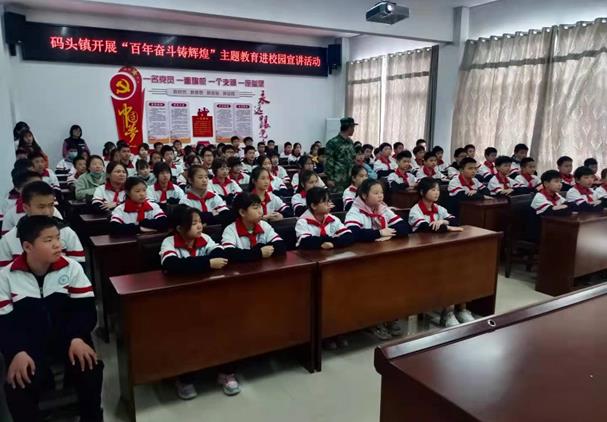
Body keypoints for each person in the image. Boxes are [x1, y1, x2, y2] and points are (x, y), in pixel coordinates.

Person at [0, 215, 104, 422]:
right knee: (18, 384)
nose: (58, 244)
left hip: (67, 338)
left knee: (89, 366)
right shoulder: (6, 276)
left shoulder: (71, 268)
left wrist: (77, 337)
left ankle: (91, 417)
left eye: (57, 238)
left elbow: (85, 310)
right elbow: (4, 324)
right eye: (48, 240)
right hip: (28, 345)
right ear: (27, 247)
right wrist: (16, 351)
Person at [158, 205, 232, 399]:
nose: (200, 226)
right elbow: (172, 265)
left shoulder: (205, 238)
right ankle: (185, 378)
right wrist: (206, 263)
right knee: (185, 333)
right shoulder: (169, 242)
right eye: (194, 223)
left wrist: (200, 264)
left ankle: (225, 372)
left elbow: (221, 255)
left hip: (208, 296)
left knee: (226, 325)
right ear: (179, 228)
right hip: (179, 300)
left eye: (200, 222)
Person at [0, 182, 84, 267]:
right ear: (26, 208)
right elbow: (3, 272)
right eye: (41, 207)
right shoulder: (8, 240)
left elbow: (79, 267)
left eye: (51, 205)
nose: (47, 212)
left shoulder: (66, 232)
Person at [221, 192, 286, 262]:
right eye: (256, 208)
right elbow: (229, 253)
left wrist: (253, 252)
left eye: (260, 207)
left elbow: (280, 245)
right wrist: (259, 252)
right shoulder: (230, 230)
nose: (261, 212)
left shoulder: (264, 225)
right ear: (242, 212)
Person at [345, 178, 409, 243]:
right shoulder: (355, 212)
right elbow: (353, 233)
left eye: (382, 193)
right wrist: (379, 233)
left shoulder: (382, 209)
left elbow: (404, 227)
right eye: (376, 193)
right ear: (364, 195)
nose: (380, 196)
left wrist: (389, 234)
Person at [528, 170, 571, 241]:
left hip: (553, 227)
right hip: (540, 232)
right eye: (556, 181)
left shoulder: (556, 195)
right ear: (546, 184)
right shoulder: (539, 196)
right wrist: (558, 208)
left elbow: (570, 206)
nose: (560, 184)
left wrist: (558, 208)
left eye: (560, 181)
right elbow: (550, 212)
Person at [325, 117, 357, 192]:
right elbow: (329, 162)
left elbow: (353, 159)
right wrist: (330, 178)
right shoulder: (332, 142)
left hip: (350, 178)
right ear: (349, 128)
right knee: (337, 197)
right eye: (353, 127)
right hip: (337, 179)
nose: (353, 130)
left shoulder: (350, 142)